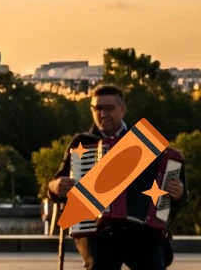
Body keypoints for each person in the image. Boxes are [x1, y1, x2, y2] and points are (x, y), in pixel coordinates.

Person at [48, 84, 186, 270]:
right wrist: (55, 186)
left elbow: (180, 194)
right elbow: (57, 185)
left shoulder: (145, 142)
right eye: (97, 108)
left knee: (153, 265)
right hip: (96, 230)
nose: (103, 114)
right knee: (100, 264)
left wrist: (179, 193)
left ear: (122, 109)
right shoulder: (84, 142)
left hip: (141, 231)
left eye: (109, 108)